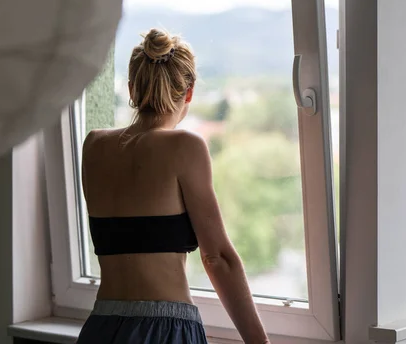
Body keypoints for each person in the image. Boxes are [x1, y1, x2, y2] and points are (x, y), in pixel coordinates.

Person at [76, 28, 270, 344]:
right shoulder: (185, 147)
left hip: (100, 328)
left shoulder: (94, 146)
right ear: (189, 92)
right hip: (165, 331)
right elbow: (217, 258)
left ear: (131, 89)